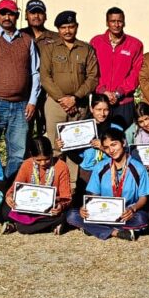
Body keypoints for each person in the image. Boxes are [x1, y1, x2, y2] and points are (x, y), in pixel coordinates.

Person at [0, 0, 42, 179]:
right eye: (3, 13)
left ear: (17, 16)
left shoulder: (27, 40)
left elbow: (35, 73)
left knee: (18, 153)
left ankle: (10, 188)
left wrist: (32, 101)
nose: (7, 17)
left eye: (11, 14)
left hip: (21, 106)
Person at [39, 10, 100, 181]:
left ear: (76, 27)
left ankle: (71, 186)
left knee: (75, 145)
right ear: (58, 29)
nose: (67, 31)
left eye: (71, 27)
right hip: (55, 104)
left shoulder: (86, 49)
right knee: (55, 145)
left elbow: (93, 77)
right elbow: (45, 77)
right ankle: (53, 183)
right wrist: (62, 99)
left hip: (79, 105)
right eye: (63, 27)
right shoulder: (50, 49)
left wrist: (74, 98)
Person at [66, 129, 149, 241]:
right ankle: (115, 232)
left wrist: (132, 209)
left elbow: (143, 197)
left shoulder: (139, 168)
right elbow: (94, 194)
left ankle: (93, 228)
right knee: (72, 215)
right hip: (103, 213)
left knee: (142, 219)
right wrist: (86, 207)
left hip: (125, 214)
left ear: (123, 142)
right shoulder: (100, 167)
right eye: (106, 147)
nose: (111, 150)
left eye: (114, 144)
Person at [2, 136, 71, 235]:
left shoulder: (61, 166)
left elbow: (66, 197)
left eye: (47, 159)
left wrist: (60, 206)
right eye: (38, 160)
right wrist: (10, 197)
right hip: (29, 205)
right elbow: (14, 188)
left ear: (51, 153)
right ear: (31, 155)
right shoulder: (27, 164)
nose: (43, 163)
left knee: (67, 214)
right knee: (5, 211)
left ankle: (18, 225)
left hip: (49, 207)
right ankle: (51, 224)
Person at [90, 6, 143, 127]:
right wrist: (102, 91)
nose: (116, 24)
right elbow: (91, 69)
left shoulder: (135, 44)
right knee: (99, 135)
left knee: (122, 135)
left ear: (124, 22)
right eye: (113, 21)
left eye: (119, 21)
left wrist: (119, 93)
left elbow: (136, 73)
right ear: (107, 23)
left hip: (124, 102)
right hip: (100, 102)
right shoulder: (96, 42)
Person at [19, 0, 57, 139]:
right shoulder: (19, 35)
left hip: (48, 92)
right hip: (25, 92)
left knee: (47, 131)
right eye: (32, 13)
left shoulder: (55, 38)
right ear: (26, 15)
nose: (36, 16)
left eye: (40, 13)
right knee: (24, 131)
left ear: (45, 16)